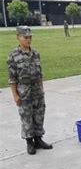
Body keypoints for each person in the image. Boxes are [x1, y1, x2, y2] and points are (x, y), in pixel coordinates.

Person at [7, 26, 53, 155]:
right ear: (18, 37)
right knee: (26, 117)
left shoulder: (36, 53)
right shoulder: (13, 56)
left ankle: (38, 139)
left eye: (30, 37)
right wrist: (15, 95)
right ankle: (29, 142)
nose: (28, 39)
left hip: (37, 90)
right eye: (25, 37)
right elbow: (12, 78)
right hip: (24, 90)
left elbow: (40, 74)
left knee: (39, 115)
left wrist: (42, 89)